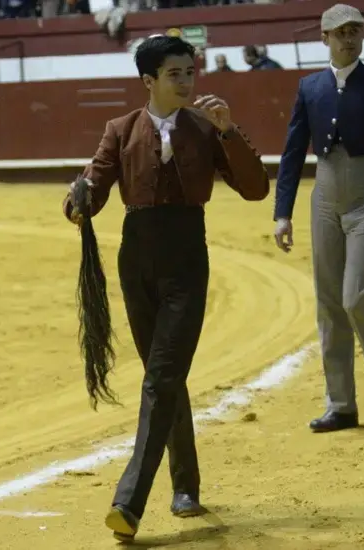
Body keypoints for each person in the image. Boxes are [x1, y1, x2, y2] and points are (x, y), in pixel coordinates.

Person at [61, 35, 270, 541]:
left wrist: (228, 134)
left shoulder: (206, 128)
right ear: (149, 81)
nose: (186, 81)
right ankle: (186, 487)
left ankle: (129, 503)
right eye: (174, 73)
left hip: (185, 260)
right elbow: (95, 188)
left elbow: (255, 188)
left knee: (160, 377)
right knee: (165, 378)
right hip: (136, 260)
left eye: (189, 72)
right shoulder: (121, 129)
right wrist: (78, 200)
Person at [272, 3, 364, 435]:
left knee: (356, 299)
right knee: (329, 303)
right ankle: (342, 404)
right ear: (324, 39)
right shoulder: (309, 87)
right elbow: (294, 152)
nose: (349, 38)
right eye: (340, 33)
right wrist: (283, 213)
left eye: (355, 31)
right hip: (325, 198)